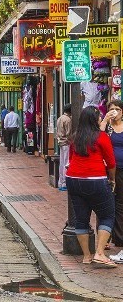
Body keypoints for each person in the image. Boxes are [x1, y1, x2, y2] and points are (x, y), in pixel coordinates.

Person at [66, 106, 116, 267]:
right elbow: (111, 162)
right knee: (107, 215)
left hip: (73, 179)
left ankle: (87, 256)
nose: (101, 119)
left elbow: (71, 159)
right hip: (95, 180)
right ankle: (100, 253)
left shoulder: (75, 137)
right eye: (99, 117)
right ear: (95, 120)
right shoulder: (101, 137)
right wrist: (112, 179)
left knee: (81, 219)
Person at [100, 101, 123, 263]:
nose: (114, 112)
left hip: (121, 170)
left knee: (120, 204)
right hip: (108, 169)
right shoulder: (106, 127)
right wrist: (105, 120)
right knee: (107, 204)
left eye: (117, 109)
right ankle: (105, 238)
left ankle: (119, 238)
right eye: (111, 109)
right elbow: (97, 138)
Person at [56, 104, 72, 192]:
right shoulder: (68, 120)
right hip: (66, 142)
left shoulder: (60, 118)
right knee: (66, 163)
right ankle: (65, 183)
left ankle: (60, 182)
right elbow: (69, 133)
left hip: (61, 142)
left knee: (62, 163)